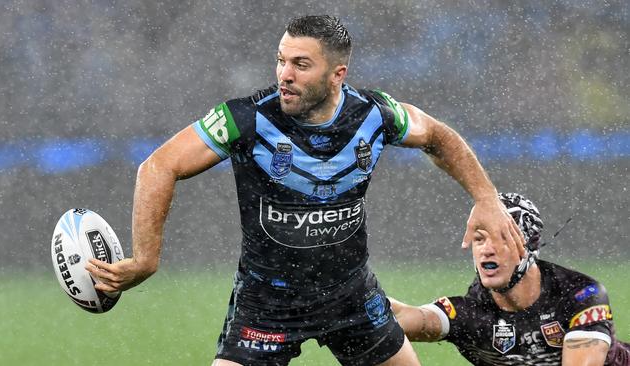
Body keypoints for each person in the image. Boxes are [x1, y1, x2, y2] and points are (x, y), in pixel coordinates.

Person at [85, 15, 524, 366]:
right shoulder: (247, 119)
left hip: (351, 296)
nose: (284, 75)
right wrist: (145, 259)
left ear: (337, 75)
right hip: (267, 303)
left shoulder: (375, 113)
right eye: (281, 60)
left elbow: (439, 137)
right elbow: (159, 165)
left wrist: (485, 199)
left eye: (300, 64)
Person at [390, 192, 630, 365]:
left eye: (500, 238)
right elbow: (400, 318)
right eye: (479, 238)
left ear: (529, 245)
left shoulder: (578, 294)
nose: (486, 249)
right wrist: (356, 300)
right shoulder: (471, 312)